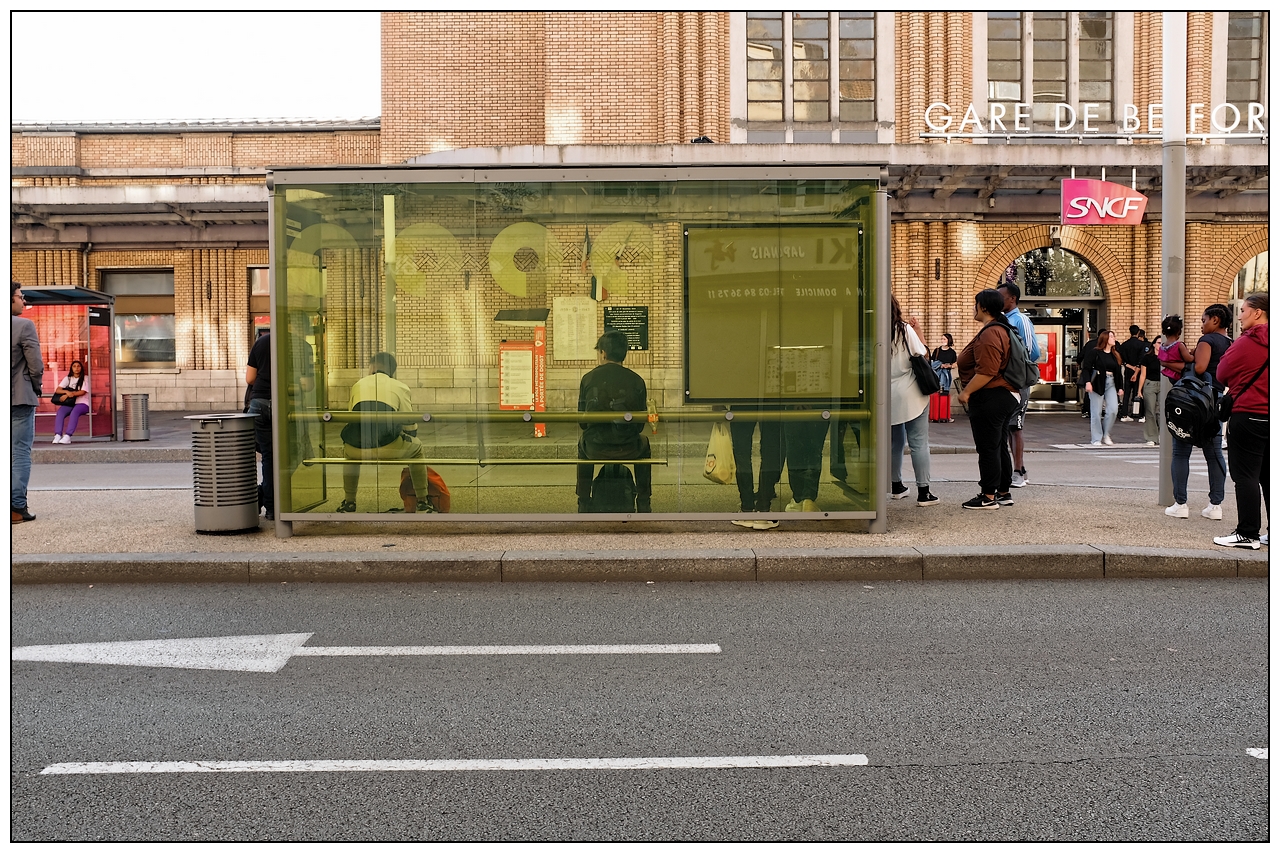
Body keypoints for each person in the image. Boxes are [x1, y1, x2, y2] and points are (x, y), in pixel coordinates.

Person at [337, 351, 433, 514]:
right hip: (389, 445)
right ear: (392, 371)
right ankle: (423, 501)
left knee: (350, 455)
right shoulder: (400, 386)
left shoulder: (358, 385)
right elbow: (409, 423)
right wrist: (409, 437)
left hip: (356, 448)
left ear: (372, 367)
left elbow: (351, 418)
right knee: (417, 450)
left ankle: (349, 501)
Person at [1166, 304, 1231, 521]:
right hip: (1215, 403)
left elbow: (1200, 368)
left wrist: (1185, 363)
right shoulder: (1231, 343)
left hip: (1193, 404)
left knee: (1181, 452)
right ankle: (1215, 505)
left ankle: (1180, 503)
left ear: (1215, 320)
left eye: (1204, 320)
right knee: (1214, 455)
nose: (1202, 325)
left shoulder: (1207, 340)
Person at [1213, 292, 1269, 549]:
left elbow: (1222, 373)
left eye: (1244, 310)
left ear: (1258, 313)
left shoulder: (1248, 342)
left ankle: (1248, 533)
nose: (1240, 314)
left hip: (1248, 415)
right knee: (1269, 476)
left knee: (1245, 475)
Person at [956, 288, 1020, 510]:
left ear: (983, 307)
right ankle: (1003, 491)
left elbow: (987, 371)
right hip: (1001, 395)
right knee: (998, 444)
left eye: (976, 305)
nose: (974, 309)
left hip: (992, 395)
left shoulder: (991, 333)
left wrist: (966, 392)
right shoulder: (1001, 329)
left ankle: (988, 496)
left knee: (988, 447)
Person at [577, 330, 651, 513]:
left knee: (582, 444)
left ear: (603, 352)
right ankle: (644, 501)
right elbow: (640, 424)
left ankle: (584, 501)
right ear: (624, 353)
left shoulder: (588, 379)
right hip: (628, 447)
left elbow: (582, 422)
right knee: (645, 443)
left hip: (595, 447)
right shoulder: (637, 380)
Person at [889, 295, 939, 507]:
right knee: (919, 442)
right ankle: (924, 492)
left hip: (885, 393)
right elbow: (922, 354)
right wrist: (918, 332)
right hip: (911, 392)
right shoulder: (903, 329)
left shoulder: (869, 328)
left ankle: (896, 486)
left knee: (894, 443)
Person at [997, 282, 1040, 488]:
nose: (999, 301)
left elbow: (1032, 351)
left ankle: (1018, 471)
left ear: (1012, 298)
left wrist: (1016, 370)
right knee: (1007, 425)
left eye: (1002, 297)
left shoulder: (1020, 319)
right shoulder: (1002, 320)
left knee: (1016, 425)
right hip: (1004, 380)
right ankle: (1016, 469)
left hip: (1018, 380)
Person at [11, 282, 42, 524]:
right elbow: (35, 365)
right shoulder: (23, 325)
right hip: (18, 398)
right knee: (20, 451)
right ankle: (16, 506)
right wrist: (36, 386)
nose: (24, 301)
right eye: (21, 297)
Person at [729, 403, 785, 529]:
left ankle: (746, 508)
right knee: (771, 450)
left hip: (743, 398)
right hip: (771, 396)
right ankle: (763, 509)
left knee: (741, 452)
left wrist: (718, 403)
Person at [1081, 329, 1125, 446]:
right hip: (1097, 382)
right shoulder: (1095, 353)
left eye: (1113, 336)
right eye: (1111, 337)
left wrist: (1120, 387)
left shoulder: (1115, 354)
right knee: (1096, 412)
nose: (1113, 339)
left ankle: (1106, 434)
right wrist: (1087, 382)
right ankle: (1096, 438)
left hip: (1111, 383)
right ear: (1105, 339)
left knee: (1113, 410)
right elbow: (1086, 368)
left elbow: (1118, 372)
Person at [51, 359, 90, 444]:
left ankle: (68, 436)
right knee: (60, 412)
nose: (76, 368)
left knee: (74, 412)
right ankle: (58, 435)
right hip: (71, 403)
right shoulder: (68, 378)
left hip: (83, 403)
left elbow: (82, 392)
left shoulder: (85, 378)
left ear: (81, 368)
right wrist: (66, 392)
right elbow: (58, 390)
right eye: (74, 366)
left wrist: (68, 394)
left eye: (78, 366)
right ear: (71, 368)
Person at [1116, 325, 1150, 422]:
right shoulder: (1142, 345)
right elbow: (1142, 359)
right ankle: (1138, 413)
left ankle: (1124, 413)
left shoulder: (1124, 345)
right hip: (1139, 371)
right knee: (1138, 392)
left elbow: (1120, 359)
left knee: (1127, 392)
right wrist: (1137, 368)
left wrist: (1128, 365)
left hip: (1128, 369)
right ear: (1138, 332)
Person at [1136, 334, 1163, 446]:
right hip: (1150, 384)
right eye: (1158, 343)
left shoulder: (1165, 357)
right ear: (1153, 344)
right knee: (1150, 410)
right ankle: (1151, 437)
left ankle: (1162, 435)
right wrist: (1139, 390)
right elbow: (1143, 375)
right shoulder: (1147, 357)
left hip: (1163, 385)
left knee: (1161, 410)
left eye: (1162, 343)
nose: (1160, 345)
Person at [929, 333, 957, 423]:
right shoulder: (937, 351)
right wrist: (939, 365)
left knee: (945, 394)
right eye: (942, 339)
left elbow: (955, 364)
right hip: (937, 374)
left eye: (944, 339)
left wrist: (948, 366)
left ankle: (945, 415)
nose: (943, 340)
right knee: (936, 394)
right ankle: (935, 415)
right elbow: (932, 363)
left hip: (946, 375)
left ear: (949, 340)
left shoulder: (952, 352)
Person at [1076, 328, 1098, 419]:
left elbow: (1081, 355)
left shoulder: (1090, 344)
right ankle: (1097, 410)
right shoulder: (1102, 346)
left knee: (1088, 391)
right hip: (1098, 371)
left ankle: (1086, 410)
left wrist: (1078, 362)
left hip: (1089, 370)